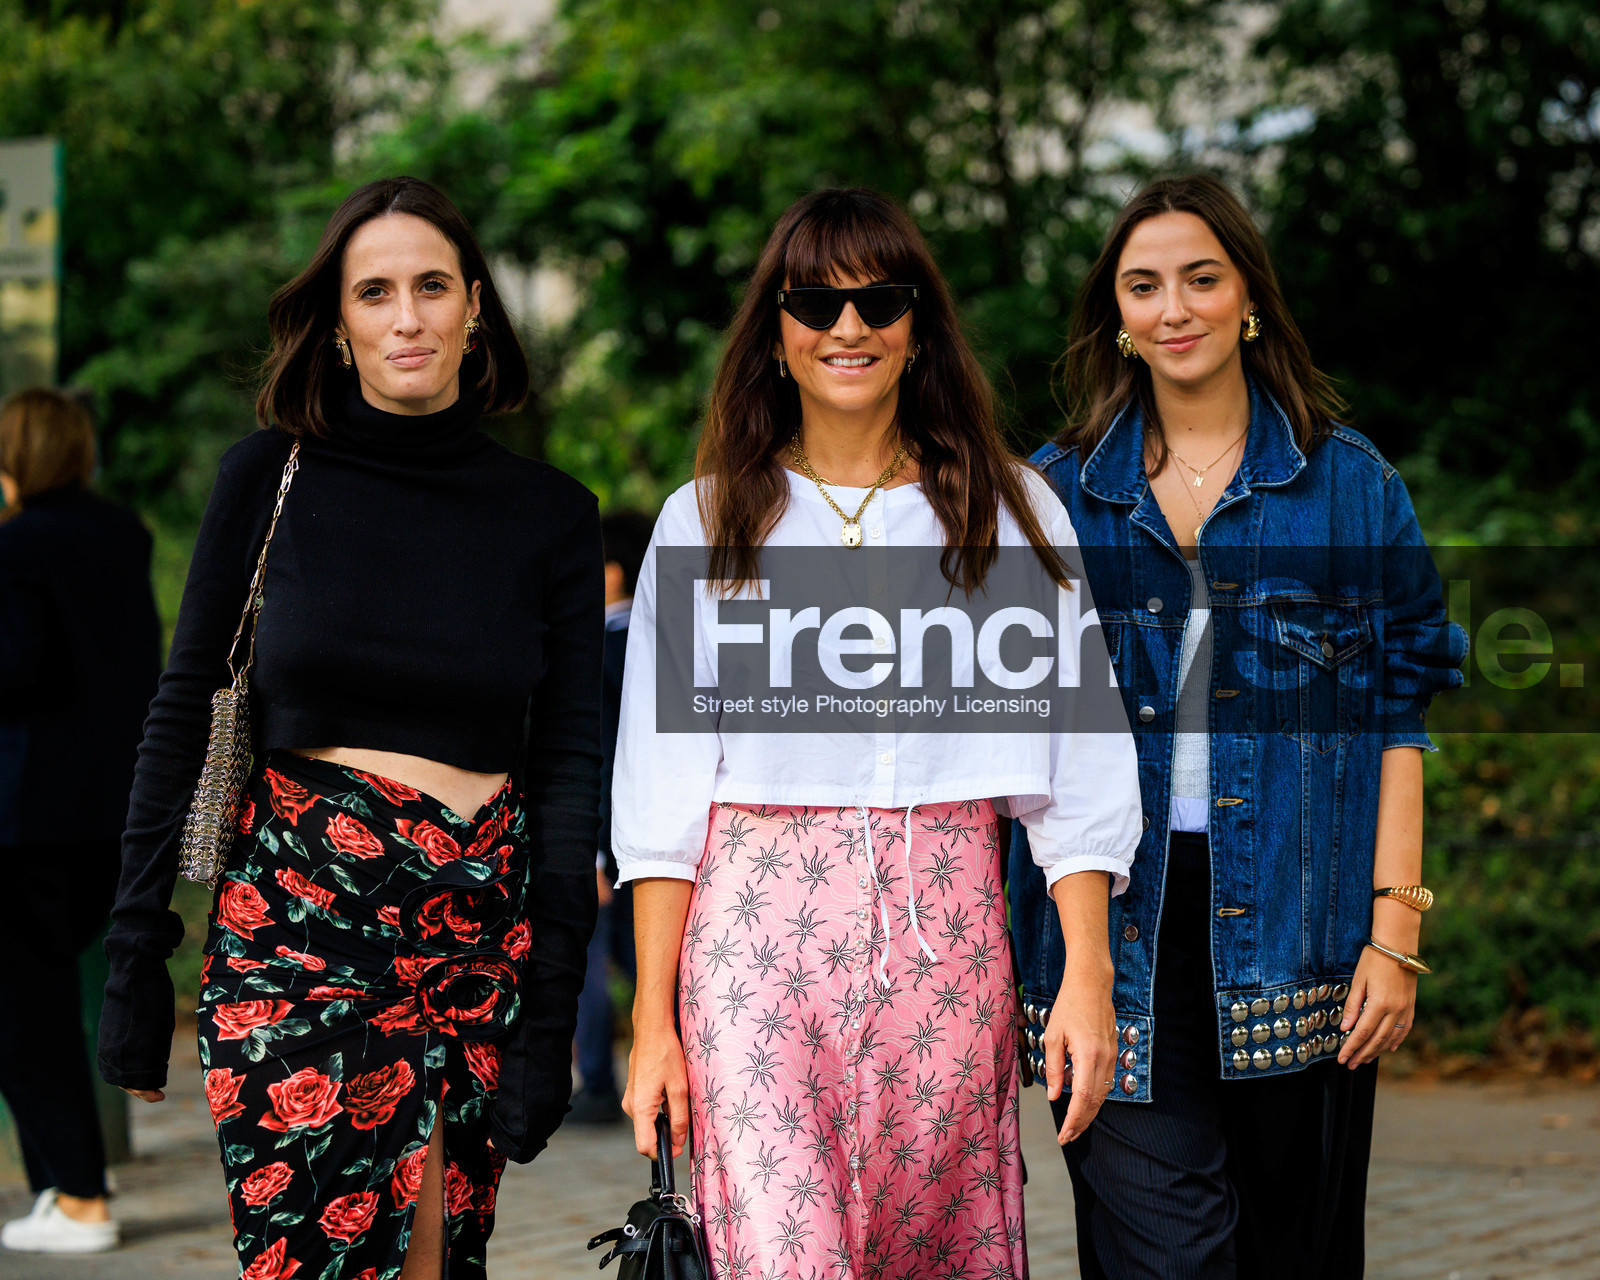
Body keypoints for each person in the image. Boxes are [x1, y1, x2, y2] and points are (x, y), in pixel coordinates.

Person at [612, 187, 1143, 1279]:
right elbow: (659, 801)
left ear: (918, 328)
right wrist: (652, 1023)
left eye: (878, 300)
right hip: (752, 953)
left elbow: (1078, 764)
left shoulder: (1014, 515)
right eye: (815, 302)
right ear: (775, 333)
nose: (847, 327)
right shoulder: (704, 523)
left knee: (939, 1256)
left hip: (946, 938)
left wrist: (1085, 975)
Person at [96, 177, 603, 1280]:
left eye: (431, 286)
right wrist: (136, 951)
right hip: (298, 935)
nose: (407, 316)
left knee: (437, 1264)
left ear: (477, 304)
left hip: (478, 948)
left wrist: (554, 998)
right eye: (375, 291)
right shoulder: (266, 476)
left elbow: (569, 766)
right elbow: (183, 708)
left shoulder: (550, 512)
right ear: (337, 322)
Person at [1009, 174, 1466, 1278]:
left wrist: (1392, 931)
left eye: (1200, 278)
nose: (1175, 308)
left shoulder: (1349, 489)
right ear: (1116, 316)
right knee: (1165, 1259)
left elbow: (1395, 718)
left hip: (1302, 933)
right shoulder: (1051, 498)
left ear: (1247, 295)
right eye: (1144, 285)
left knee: (1291, 1255)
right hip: (1107, 931)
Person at [0, 389, 160, 1255]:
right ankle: (60, 1190)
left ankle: (84, 1199)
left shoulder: (19, 544)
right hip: (115, 816)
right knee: (45, 1002)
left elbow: (17, 670)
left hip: (29, 821)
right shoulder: (120, 534)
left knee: (24, 1013)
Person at [569, 508, 652, 1125]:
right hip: (654, 835)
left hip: (608, 837)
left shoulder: (599, 649)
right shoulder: (654, 642)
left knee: (588, 961)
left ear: (615, 573)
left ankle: (597, 1083)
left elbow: (602, 752)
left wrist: (592, 851)